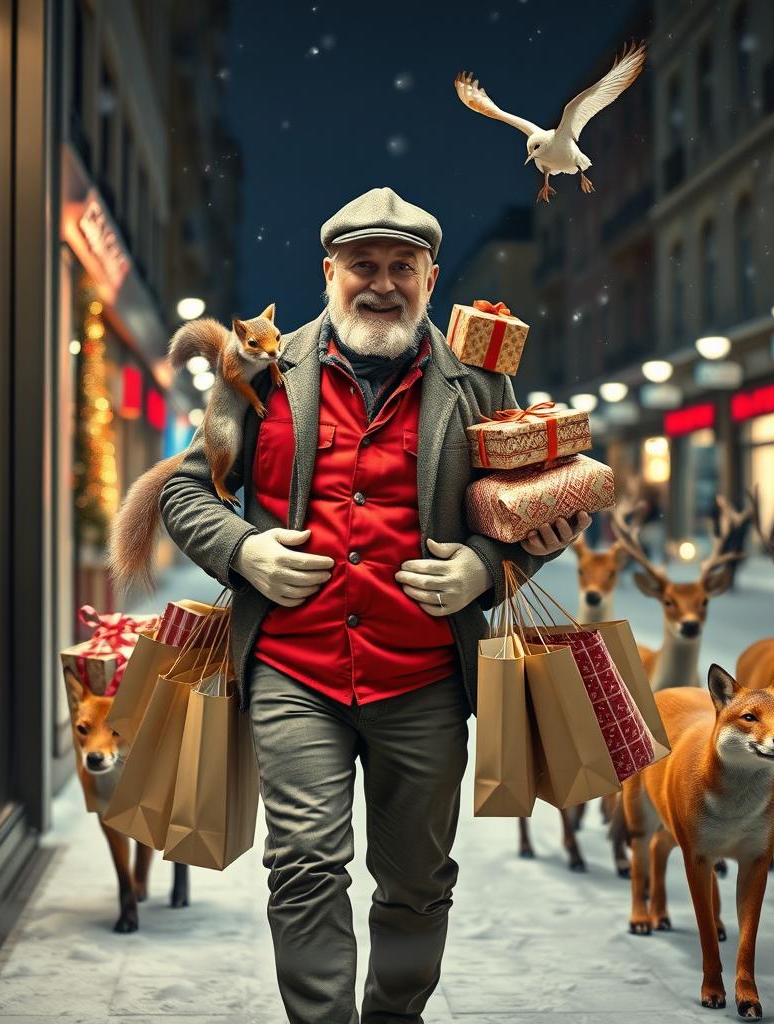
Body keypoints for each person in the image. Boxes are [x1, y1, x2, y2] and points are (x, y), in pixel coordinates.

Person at [160, 186, 590, 1024]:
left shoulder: (483, 383)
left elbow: (540, 508)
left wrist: (482, 566)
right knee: (306, 864)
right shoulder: (260, 374)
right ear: (329, 273)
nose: (382, 283)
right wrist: (244, 550)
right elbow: (185, 493)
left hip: (426, 677)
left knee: (418, 883)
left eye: (403, 266)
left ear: (431, 279)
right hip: (293, 669)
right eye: (364, 265)